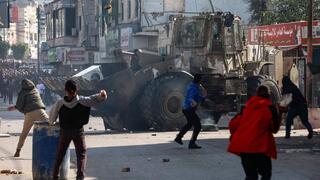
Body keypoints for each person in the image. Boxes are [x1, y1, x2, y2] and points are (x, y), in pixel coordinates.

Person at [49, 80, 107, 180]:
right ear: (77, 90)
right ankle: (80, 176)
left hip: (65, 132)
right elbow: (97, 98)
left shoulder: (59, 103)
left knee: (60, 155)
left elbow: (51, 119)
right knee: (81, 155)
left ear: (65, 90)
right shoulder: (83, 101)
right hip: (78, 132)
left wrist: (53, 122)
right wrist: (102, 94)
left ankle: (55, 176)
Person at [228, 85, 281, 180]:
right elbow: (275, 129)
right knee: (266, 174)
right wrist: (280, 112)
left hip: (245, 148)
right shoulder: (270, 109)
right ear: (269, 96)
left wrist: (234, 135)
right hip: (260, 148)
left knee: (251, 176)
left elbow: (232, 124)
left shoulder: (246, 108)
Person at [7, 79, 48, 157]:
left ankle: (17, 151)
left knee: (24, 133)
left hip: (29, 113)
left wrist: (14, 108)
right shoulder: (35, 90)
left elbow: (19, 106)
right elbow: (38, 100)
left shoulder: (22, 93)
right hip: (40, 111)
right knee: (52, 125)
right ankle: (57, 147)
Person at [174, 74, 207, 149]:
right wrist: (193, 101)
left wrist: (201, 89)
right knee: (198, 126)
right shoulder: (194, 88)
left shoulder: (192, 85)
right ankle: (192, 143)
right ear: (200, 80)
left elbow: (203, 95)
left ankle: (178, 137)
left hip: (185, 108)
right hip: (189, 109)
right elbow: (190, 97)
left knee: (190, 124)